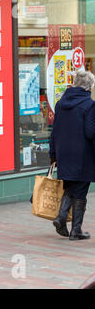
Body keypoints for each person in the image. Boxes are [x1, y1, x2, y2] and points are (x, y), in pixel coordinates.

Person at [50, 70, 95, 241]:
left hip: (64, 153)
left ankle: (62, 218)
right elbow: (90, 133)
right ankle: (75, 230)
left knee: (71, 186)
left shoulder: (61, 103)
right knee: (81, 189)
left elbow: (54, 131)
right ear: (89, 87)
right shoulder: (89, 105)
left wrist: (53, 153)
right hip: (82, 154)